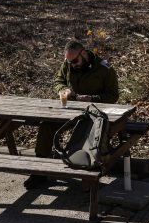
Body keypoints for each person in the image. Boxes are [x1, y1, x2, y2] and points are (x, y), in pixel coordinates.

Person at [23, 39, 119, 189]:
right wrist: (63, 90)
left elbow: (113, 96)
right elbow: (58, 81)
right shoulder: (68, 63)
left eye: (75, 61)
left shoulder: (104, 69)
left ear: (84, 53)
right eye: (69, 62)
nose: (72, 65)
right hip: (70, 109)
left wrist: (92, 99)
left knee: (90, 135)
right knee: (46, 125)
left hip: (94, 115)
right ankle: (38, 172)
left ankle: (89, 175)